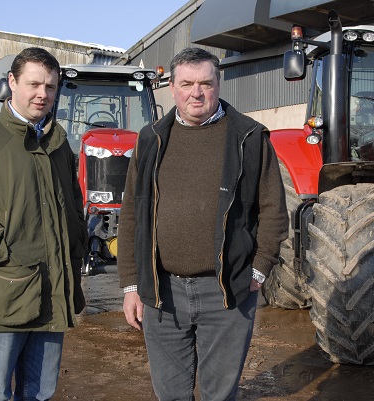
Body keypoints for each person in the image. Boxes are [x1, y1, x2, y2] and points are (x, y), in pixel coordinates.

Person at [118, 47, 288, 400]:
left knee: (219, 395)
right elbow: (132, 212)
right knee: (171, 395)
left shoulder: (250, 137)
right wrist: (131, 285)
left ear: (218, 83)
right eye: (187, 83)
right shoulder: (150, 139)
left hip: (226, 291)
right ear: (172, 87)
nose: (197, 92)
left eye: (205, 83)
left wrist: (259, 269)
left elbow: (273, 209)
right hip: (162, 291)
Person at [0, 47, 87, 400]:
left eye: (51, 87)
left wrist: (78, 245)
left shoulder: (59, 142)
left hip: (53, 294)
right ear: (12, 82)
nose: (43, 94)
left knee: (39, 392)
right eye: (34, 84)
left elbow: (72, 203)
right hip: (4, 290)